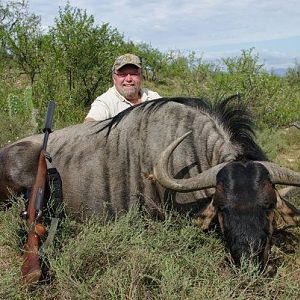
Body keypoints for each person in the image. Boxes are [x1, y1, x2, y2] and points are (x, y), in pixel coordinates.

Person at [84, 53, 161, 122]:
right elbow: (89, 126)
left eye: (134, 74)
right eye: (122, 74)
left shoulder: (153, 97)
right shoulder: (105, 102)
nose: (128, 79)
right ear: (114, 78)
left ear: (141, 76)